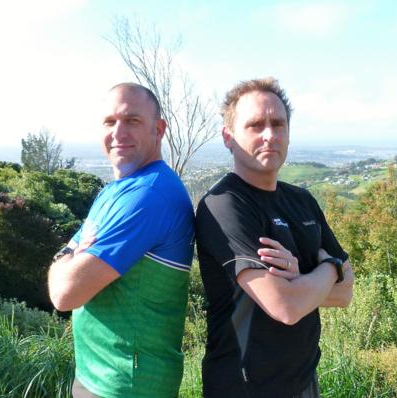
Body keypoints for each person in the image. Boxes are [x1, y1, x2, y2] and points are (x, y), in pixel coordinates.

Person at [195, 78, 354, 398]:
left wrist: (301, 281)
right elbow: (286, 306)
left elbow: (346, 293)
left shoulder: (302, 200)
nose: (269, 135)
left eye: (278, 124)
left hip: (305, 384)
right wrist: (327, 269)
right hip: (243, 389)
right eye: (255, 125)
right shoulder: (224, 204)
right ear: (229, 137)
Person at [48, 82, 194, 398]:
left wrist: (68, 259)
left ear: (159, 129)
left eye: (133, 121)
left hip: (127, 385)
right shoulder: (116, 190)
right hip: (100, 375)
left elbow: (64, 293)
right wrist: (69, 257)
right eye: (110, 122)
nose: (119, 132)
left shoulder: (147, 196)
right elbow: (70, 254)